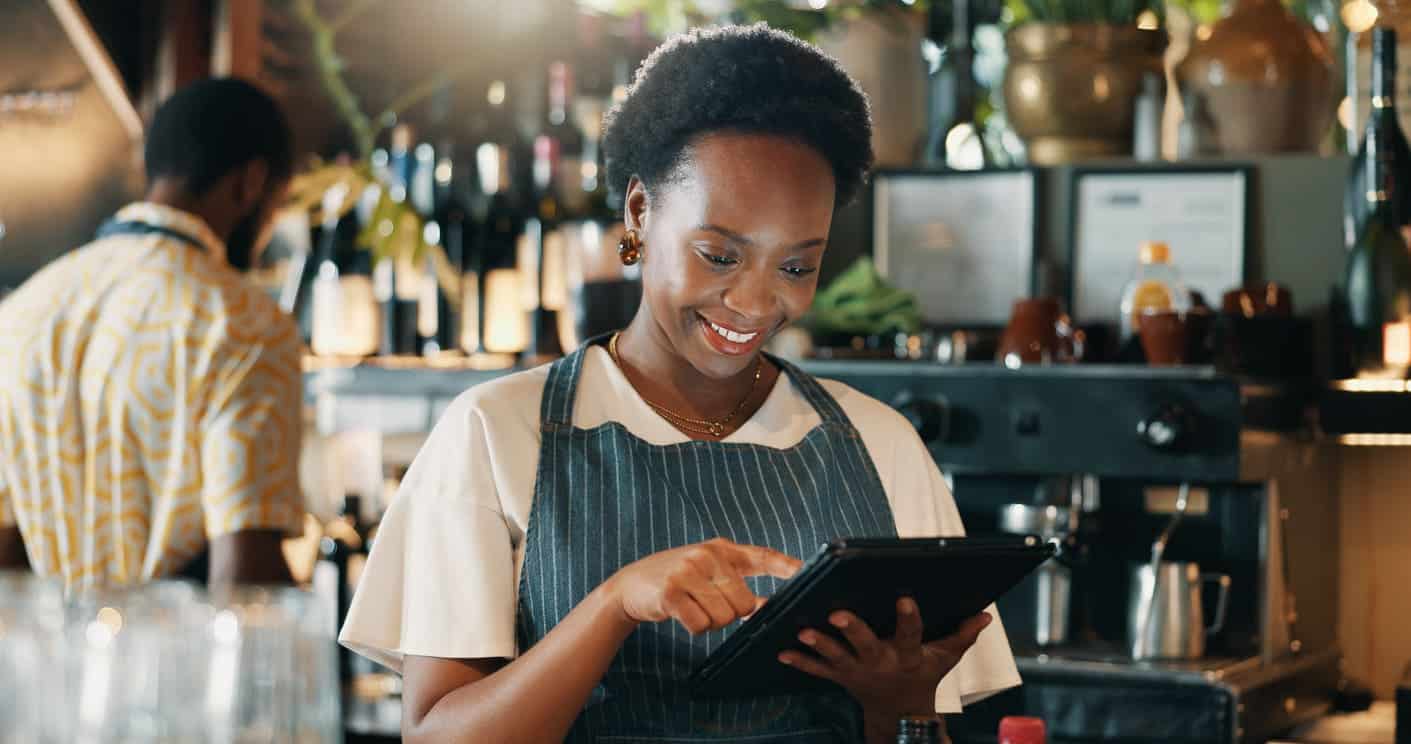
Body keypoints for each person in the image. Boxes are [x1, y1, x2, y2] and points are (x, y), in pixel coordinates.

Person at [340, 24, 1020, 744]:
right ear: (640, 212)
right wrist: (614, 605)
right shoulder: (495, 432)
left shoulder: (883, 446)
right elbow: (436, 736)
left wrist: (901, 708)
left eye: (796, 267)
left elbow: (923, 731)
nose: (754, 303)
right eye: (719, 255)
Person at [0, 78, 303, 591]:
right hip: (174, 642)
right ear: (251, 182)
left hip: (45, 640)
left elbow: (5, 558)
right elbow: (244, 583)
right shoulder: (244, 324)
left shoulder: (20, 314)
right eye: (278, 205)